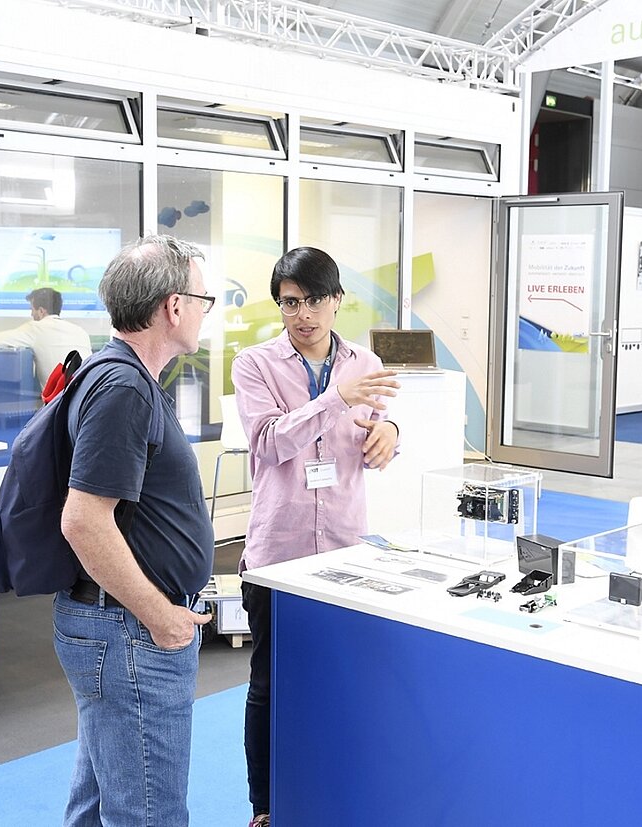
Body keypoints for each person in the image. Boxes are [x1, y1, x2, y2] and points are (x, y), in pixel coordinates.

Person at [231, 246, 400, 827]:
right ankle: (265, 806)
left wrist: (391, 434)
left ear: (336, 301)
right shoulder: (254, 364)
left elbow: (373, 428)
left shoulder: (364, 361)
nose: (301, 315)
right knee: (268, 685)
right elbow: (269, 442)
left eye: (312, 301)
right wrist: (335, 400)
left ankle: (332, 791)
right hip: (278, 554)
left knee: (342, 680)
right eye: (289, 303)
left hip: (346, 549)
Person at [53, 235, 215, 826]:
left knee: (99, 803)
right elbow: (83, 520)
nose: (204, 312)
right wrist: (160, 615)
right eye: (203, 300)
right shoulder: (123, 389)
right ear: (174, 307)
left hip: (118, 628)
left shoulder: (123, 378)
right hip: (131, 633)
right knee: (149, 813)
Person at [0, 287, 93, 389]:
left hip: (62, 398)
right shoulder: (81, 332)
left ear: (41, 311)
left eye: (32, 310)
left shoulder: (35, 328)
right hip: (89, 394)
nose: (31, 314)